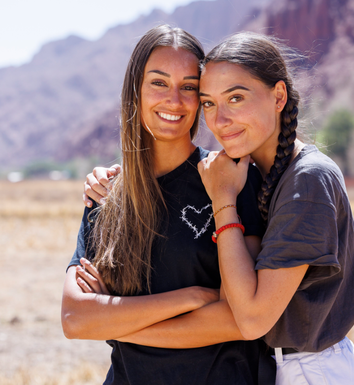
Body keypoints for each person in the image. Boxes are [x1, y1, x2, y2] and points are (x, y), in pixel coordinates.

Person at [85, 32, 354, 384]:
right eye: (208, 103)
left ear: (278, 96)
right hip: (281, 367)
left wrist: (119, 329)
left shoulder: (308, 180)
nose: (220, 120)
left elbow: (249, 320)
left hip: (314, 372)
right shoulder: (263, 175)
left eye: (236, 98)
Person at [61, 25, 275, 385]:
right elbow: (75, 319)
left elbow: (240, 320)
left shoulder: (231, 180)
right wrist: (193, 297)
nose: (174, 100)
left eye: (189, 87)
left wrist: (116, 321)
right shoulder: (106, 195)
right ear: (136, 91)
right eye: (159, 82)